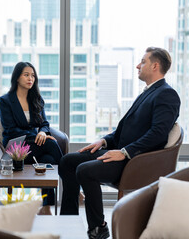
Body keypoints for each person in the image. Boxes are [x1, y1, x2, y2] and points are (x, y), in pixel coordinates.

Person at [59, 47, 181, 239]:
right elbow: (125, 130)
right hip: (120, 154)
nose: (138, 65)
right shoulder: (148, 92)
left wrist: (125, 152)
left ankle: (98, 229)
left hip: (135, 162)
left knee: (84, 170)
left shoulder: (167, 94)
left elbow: (158, 134)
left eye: (143, 61)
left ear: (155, 65)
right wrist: (104, 141)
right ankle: (67, 221)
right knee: (67, 161)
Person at [0, 62, 63, 215]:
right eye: (26, 75)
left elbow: (45, 124)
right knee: (50, 145)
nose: (30, 78)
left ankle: (46, 207)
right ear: (17, 78)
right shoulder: (5, 100)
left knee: (48, 159)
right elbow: (11, 130)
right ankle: (72, 185)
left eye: (33, 75)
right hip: (17, 148)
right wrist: (38, 136)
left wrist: (42, 132)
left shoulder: (37, 99)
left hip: (35, 146)